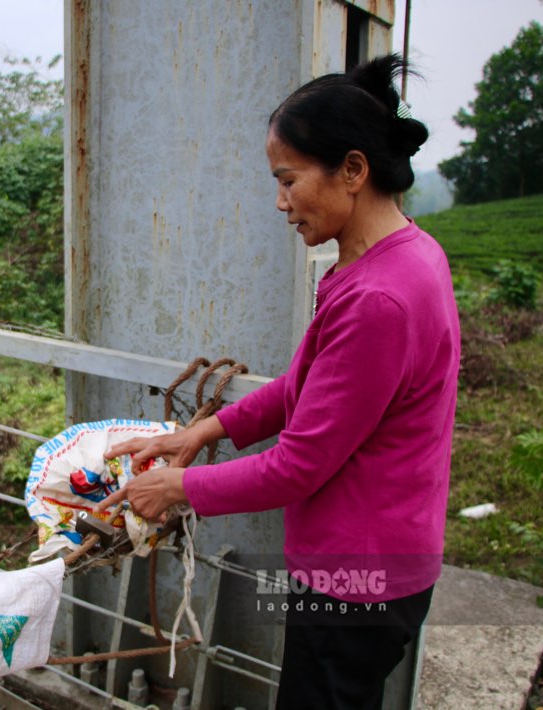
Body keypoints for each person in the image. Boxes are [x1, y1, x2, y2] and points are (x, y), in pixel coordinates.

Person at [96, 54, 460, 709]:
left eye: (288, 179)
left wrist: (176, 489)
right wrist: (205, 430)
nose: (279, 201)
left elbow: (299, 465)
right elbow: (306, 386)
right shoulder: (401, 257)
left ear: (352, 170)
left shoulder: (378, 297)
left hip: (358, 577)